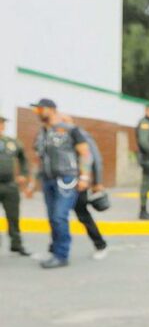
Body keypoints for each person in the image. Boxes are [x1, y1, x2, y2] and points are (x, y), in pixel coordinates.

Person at [30, 98, 92, 268]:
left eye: (40, 109)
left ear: (51, 109)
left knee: (59, 216)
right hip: (48, 180)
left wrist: (84, 177)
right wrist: (31, 184)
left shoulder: (70, 130)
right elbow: (37, 160)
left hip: (66, 178)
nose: (38, 112)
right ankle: (55, 250)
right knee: (52, 218)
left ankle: (61, 255)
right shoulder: (41, 133)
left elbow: (85, 153)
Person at [61, 117, 108, 260]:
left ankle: (100, 245)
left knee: (82, 215)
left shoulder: (80, 135)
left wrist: (97, 182)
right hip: (61, 182)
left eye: (64, 121)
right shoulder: (57, 136)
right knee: (57, 216)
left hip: (78, 182)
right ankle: (56, 249)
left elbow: (95, 158)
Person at [0, 114, 31, 256]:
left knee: (13, 217)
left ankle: (16, 244)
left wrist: (23, 174)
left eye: (1, 123)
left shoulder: (12, 142)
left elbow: (23, 159)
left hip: (10, 186)